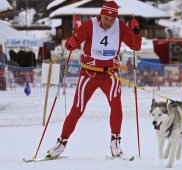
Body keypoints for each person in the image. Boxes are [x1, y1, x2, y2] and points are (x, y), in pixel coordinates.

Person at [47, 1, 142, 158]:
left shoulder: (120, 26)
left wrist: (136, 32)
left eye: (112, 19)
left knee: (116, 106)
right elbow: (75, 39)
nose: (109, 23)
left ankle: (115, 142)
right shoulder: (90, 24)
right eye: (106, 19)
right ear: (101, 15)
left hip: (110, 74)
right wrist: (72, 42)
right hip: (89, 73)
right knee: (77, 108)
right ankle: (61, 143)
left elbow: (135, 47)